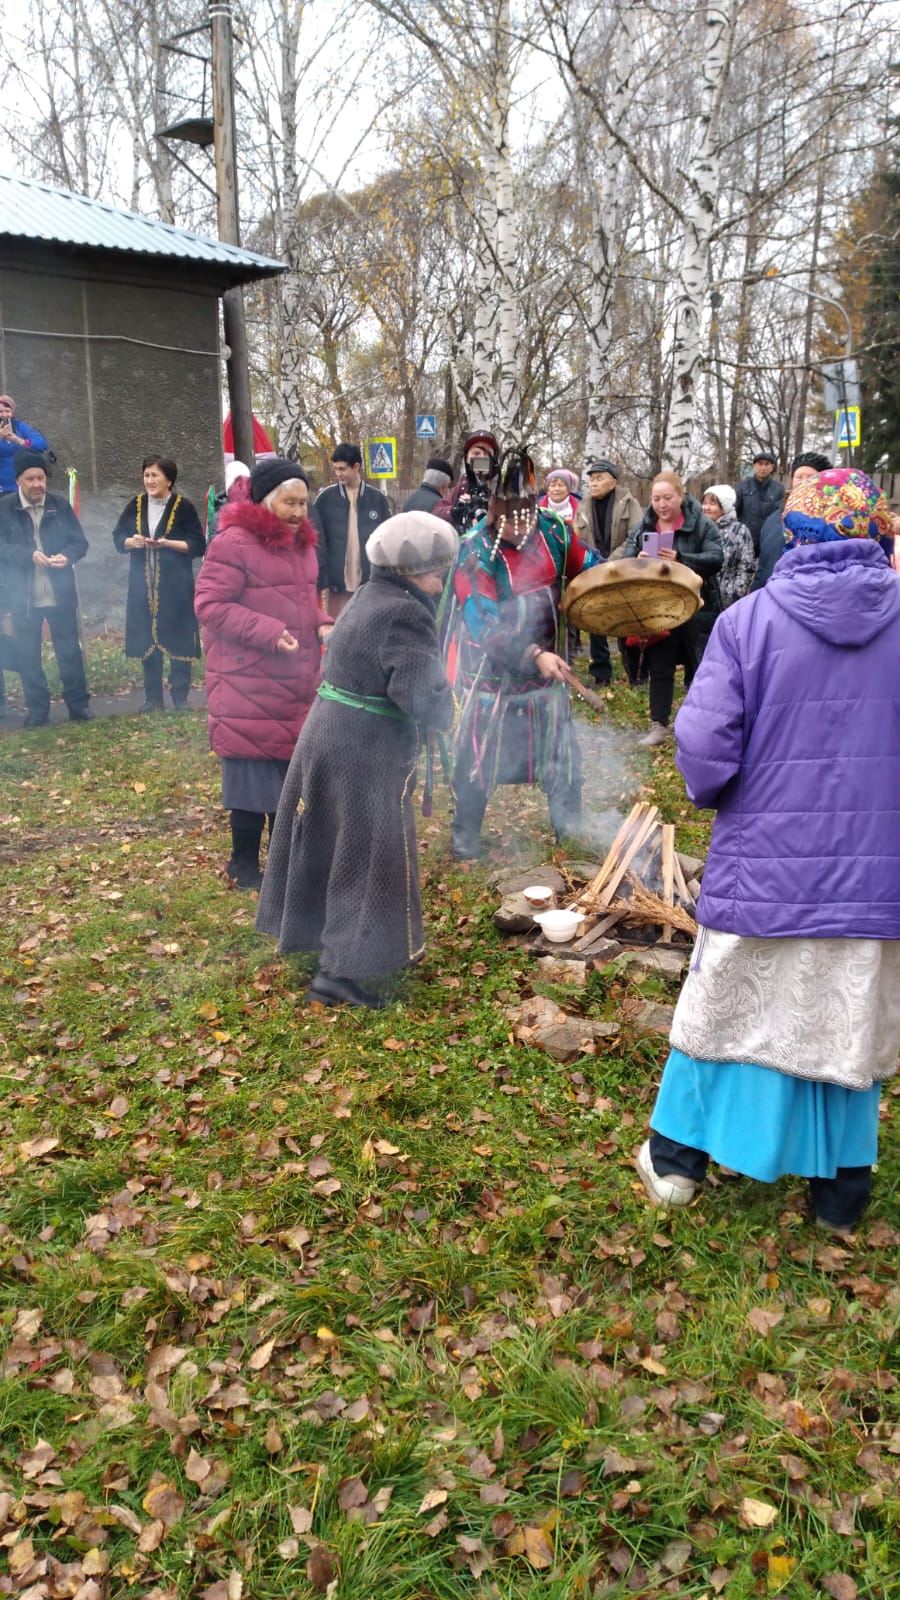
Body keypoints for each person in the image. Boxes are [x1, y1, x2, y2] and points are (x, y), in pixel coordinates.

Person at [636, 468, 899, 1236]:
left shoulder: (748, 623)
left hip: (766, 869)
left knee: (721, 1014)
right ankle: (841, 1200)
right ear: (873, 533)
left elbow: (707, 747)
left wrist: (712, 790)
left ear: (796, 533)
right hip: (873, 877)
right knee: (847, 1027)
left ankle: (678, 1165)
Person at [256, 511, 457, 1006]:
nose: (441, 580)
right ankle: (338, 972)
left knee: (329, 841)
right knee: (363, 853)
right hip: (361, 748)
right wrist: (449, 705)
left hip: (330, 732)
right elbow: (421, 696)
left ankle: (319, 938)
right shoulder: (405, 613)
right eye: (436, 571)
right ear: (412, 571)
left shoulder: (372, 594)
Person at [446, 447, 602, 860]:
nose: (520, 526)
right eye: (510, 517)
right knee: (478, 766)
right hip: (492, 681)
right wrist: (534, 654)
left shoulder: (554, 531)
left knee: (563, 761)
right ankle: (465, 840)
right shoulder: (476, 551)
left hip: (547, 681)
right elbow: (484, 624)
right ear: (495, 509)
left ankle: (570, 833)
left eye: (526, 515)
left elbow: (592, 568)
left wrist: (626, 579)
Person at [194, 458, 333, 891]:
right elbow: (210, 606)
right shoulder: (232, 543)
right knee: (252, 777)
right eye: (288, 503)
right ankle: (243, 865)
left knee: (288, 776)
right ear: (265, 500)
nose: (297, 513)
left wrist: (321, 621)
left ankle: (280, 863)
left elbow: (297, 602)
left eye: (302, 504)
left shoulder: (303, 546)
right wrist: (270, 633)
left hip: (294, 678)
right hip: (246, 678)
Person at [620, 472, 723, 747]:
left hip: (696, 607)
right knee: (660, 665)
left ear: (681, 496)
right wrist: (636, 560)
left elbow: (716, 558)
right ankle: (659, 725)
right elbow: (624, 560)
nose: (662, 504)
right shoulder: (645, 525)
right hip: (659, 606)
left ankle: (702, 725)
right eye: (656, 498)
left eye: (668, 498)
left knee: (699, 666)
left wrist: (681, 558)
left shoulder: (701, 524)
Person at [0, 449, 91, 727]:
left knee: (69, 652)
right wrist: (27, 555)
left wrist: (68, 555)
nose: (37, 484)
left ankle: (79, 707)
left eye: (41, 478)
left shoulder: (59, 505)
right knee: (29, 654)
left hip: (59, 591)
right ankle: (37, 711)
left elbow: (80, 542)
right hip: (23, 595)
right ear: (18, 480)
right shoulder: (4, 508)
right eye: (31, 479)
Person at [112, 456, 205, 712]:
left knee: (177, 638)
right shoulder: (137, 504)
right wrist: (132, 542)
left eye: (155, 476)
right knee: (147, 641)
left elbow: (198, 544)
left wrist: (167, 544)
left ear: (169, 480)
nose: (149, 481)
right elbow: (118, 536)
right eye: (146, 475)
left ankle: (180, 698)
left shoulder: (183, 507)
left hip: (175, 587)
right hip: (143, 586)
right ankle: (153, 699)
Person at [574, 458, 643, 686]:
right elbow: (578, 538)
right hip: (594, 569)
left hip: (621, 568)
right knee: (596, 618)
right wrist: (593, 561)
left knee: (625, 618)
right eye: (591, 479)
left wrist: (610, 561)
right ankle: (601, 672)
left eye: (599, 478)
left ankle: (634, 671)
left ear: (613, 482)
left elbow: (635, 535)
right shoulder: (583, 506)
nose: (593, 483)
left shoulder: (628, 502)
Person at [312, 443, 392, 620]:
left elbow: (387, 540)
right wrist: (322, 575)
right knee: (337, 628)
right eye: (335, 469)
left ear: (356, 467)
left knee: (366, 627)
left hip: (368, 581)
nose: (338, 473)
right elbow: (317, 539)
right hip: (337, 582)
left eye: (342, 469)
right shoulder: (325, 499)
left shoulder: (377, 499)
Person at [752, 451, 830, 590]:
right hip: (770, 593)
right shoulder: (774, 519)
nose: (804, 481)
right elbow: (763, 567)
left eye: (811, 477)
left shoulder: (831, 520)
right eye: (799, 476)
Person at [434, 431, 501, 534]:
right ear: (467, 459)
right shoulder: (464, 482)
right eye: (476, 453)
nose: (482, 458)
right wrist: (457, 510)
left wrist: (486, 509)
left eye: (487, 453)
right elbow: (437, 512)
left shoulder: (502, 485)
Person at [700, 484, 756, 607]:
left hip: (727, 600)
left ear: (724, 507)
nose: (706, 508)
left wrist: (737, 594)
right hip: (700, 598)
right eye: (704, 503)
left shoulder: (739, 530)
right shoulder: (699, 529)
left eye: (712, 504)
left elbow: (746, 566)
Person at [734, 450, 784, 556]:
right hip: (746, 539)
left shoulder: (779, 489)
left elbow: (780, 515)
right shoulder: (743, 487)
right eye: (760, 464)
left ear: (771, 467)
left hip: (769, 540)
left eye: (767, 464)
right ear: (754, 466)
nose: (763, 467)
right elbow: (735, 512)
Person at [0, 394, 50, 495]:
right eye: (0, 411)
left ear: (12, 413)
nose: (4, 415)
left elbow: (42, 443)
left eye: (7, 411)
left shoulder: (20, 427)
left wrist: (20, 441)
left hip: (20, 485)